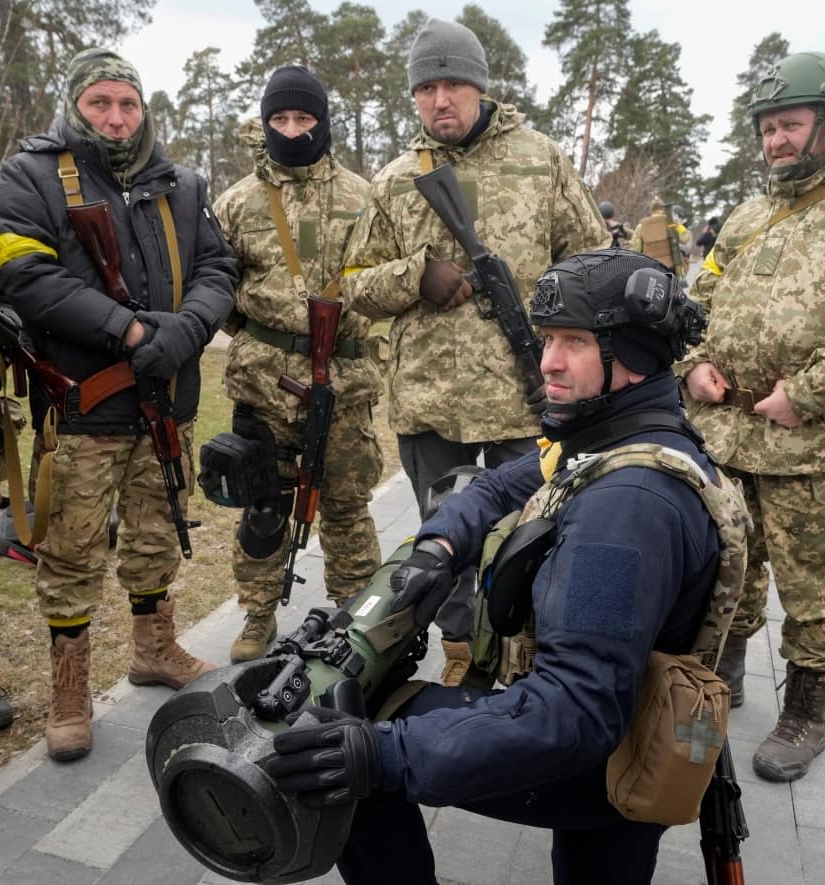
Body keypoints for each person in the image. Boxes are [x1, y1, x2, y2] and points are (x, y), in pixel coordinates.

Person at [265, 248, 735, 885]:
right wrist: (439, 550)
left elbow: (573, 715)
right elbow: (493, 489)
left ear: (632, 358)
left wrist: (384, 757)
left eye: (573, 341)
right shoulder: (623, 436)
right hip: (638, 726)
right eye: (546, 339)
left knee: (354, 737)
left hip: (600, 753)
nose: (549, 362)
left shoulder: (626, 508)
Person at [0, 48, 238, 762]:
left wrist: (188, 329)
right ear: (76, 106)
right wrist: (125, 329)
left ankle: (154, 649)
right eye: (101, 103)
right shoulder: (31, 176)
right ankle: (70, 692)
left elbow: (219, 267)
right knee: (69, 551)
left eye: (128, 104)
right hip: (85, 410)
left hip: (168, 405)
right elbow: (23, 274)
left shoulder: (181, 183)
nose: (117, 118)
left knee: (158, 534)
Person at [341, 18, 608, 684]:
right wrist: (414, 275)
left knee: (537, 532)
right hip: (433, 401)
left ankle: (530, 659)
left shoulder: (540, 157)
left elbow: (596, 257)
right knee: (445, 537)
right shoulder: (398, 178)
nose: (440, 100)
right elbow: (351, 284)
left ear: (480, 86)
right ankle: (462, 656)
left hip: (531, 394)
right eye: (426, 87)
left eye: (453, 83)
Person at [678, 51, 825, 782]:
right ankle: (729, 674)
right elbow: (701, 298)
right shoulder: (747, 215)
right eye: (767, 128)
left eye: (790, 125)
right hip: (727, 432)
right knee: (727, 567)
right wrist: (693, 363)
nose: (775, 140)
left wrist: (806, 393)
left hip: (808, 441)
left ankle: (805, 715)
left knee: (813, 582)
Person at [212, 66, 382, 662]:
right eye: (279, 119)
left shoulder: (366, 198)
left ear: (324, 121)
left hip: (344, 384)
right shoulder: (236, 203)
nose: (291, 129)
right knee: (263, 509)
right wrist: (267, 341)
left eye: (304, 118)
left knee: (345, 507)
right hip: (262, 386)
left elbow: (384, 282)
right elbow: (220, 288)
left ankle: (359, 617)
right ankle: (258, 616)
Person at [629, 197, 691, 275]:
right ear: (663, 209)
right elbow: (685, 238)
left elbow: (635, 249)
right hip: (672, 267)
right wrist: (678, 223)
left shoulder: (641, 226)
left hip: (651, 267)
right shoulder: (671, 222)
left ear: (651, 210)